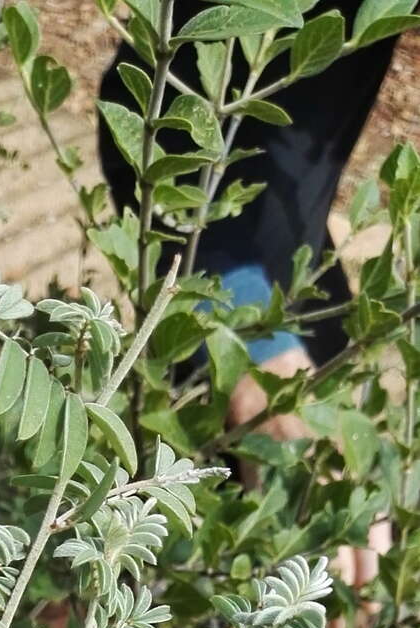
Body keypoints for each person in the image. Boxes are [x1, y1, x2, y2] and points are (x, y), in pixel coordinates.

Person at [97, 0, 400, 585]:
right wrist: (258, 361)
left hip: (293, 244)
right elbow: (150, 121)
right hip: (224, 258)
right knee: (248, 549)